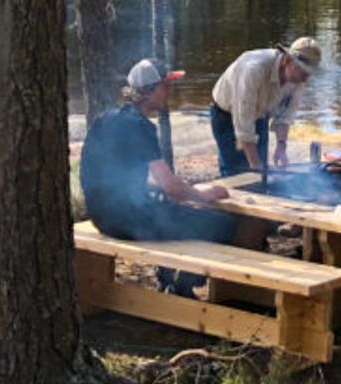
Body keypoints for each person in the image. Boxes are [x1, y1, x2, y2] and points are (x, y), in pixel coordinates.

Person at [80, 59, 235, 293]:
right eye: (165, 87)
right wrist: (202, 194)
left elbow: (118, 178)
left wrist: (166, 190)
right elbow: (171, 186)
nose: (170, 92)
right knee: (222, 224)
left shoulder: (107, 118)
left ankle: (166, 275)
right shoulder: (141, 127)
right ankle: (181, 286)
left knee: (170, 207)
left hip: (101, 217)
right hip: (127, 222)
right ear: (148, 91)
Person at [210, 37, 322, 175]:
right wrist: (255, 165)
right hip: (227, 115)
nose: (306, 79)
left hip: (260, 114)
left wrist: (281, 146)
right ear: (287, 61)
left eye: (309, 74)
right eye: (304, 72)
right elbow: (243, 125)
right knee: (236, 171)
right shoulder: (253, 69)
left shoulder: (298, 79)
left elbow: (285, 114)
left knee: (261, 172)